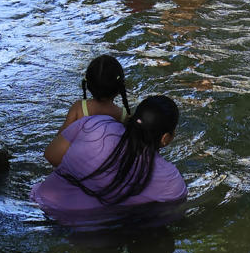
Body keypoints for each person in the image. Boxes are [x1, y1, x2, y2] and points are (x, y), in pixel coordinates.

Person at [33, 94, 186, 220]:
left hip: (39, 203)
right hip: (82, 227)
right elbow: (170, 216)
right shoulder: (170, 181)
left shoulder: (96, 124)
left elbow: (51, 155)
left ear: (133, 117)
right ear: (166, 138)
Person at [61, 54, 129, 128]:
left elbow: (61, 136)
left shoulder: (79, 108)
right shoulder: (123, 116)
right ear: (119, 88)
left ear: (88, 86)